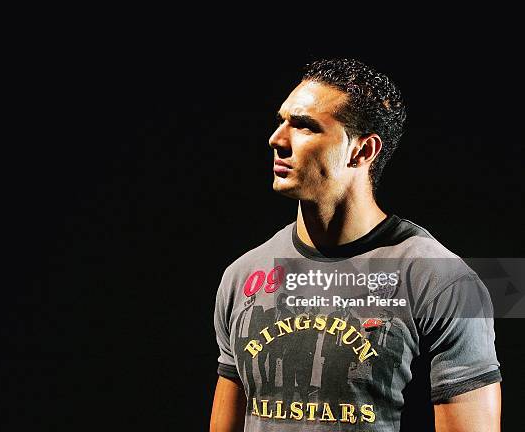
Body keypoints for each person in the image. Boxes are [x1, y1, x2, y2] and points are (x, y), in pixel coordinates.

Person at [210, 59, 501, 431]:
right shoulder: (245, 275)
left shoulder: (443, 281)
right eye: (281, 121)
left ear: (362, 151)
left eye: (304, 126)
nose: (277, 139)